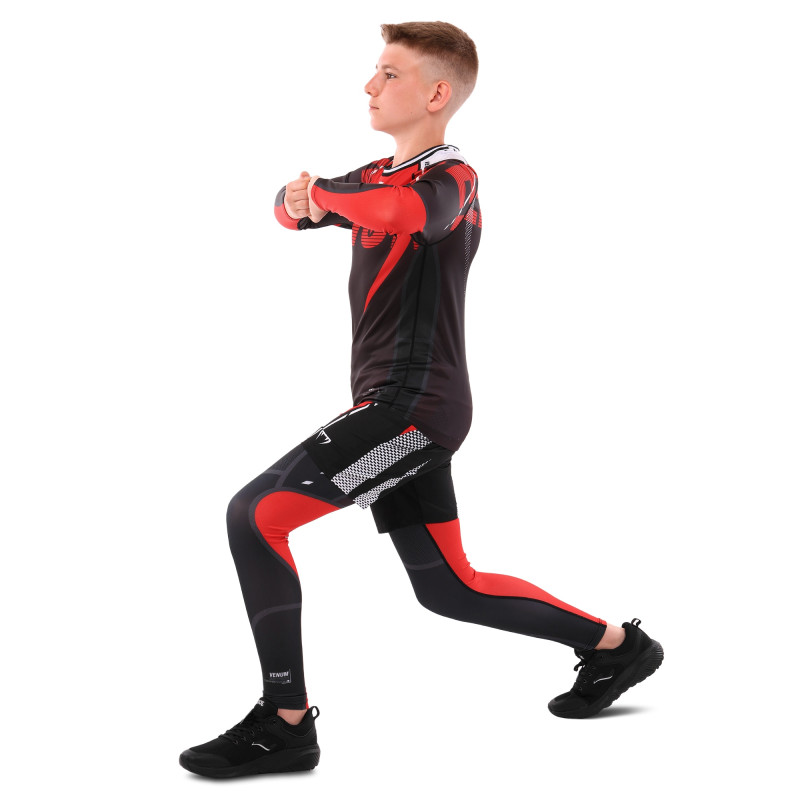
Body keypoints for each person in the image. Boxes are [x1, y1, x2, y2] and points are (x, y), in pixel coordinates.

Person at [179, 20, 663, 780]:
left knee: (256, 515)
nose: (369, 86)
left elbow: (402, 214)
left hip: (411, 408)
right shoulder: (377, 175)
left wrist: (323, 194)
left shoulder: (451, 180)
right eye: (374, 71)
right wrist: (298, 198)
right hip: (401, 407)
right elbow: (288, 213)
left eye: (389, 74)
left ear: (437, 94)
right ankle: (618, 647)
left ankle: (285, 721)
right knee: (448, 587)